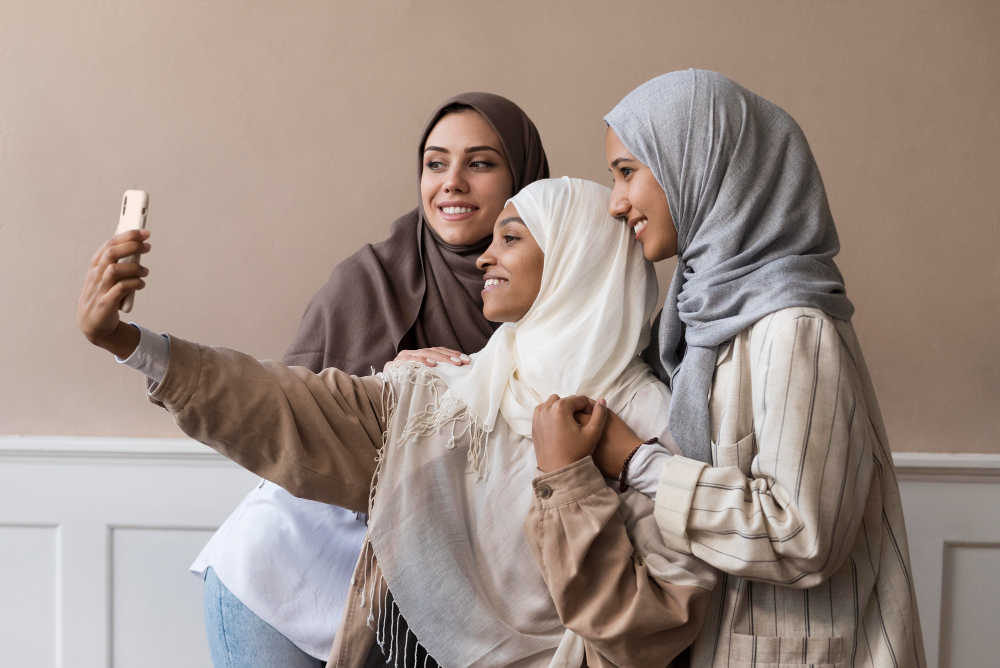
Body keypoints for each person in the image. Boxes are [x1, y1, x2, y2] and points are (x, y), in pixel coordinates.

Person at [77, 176, 716, 668]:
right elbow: (291, 405)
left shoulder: (644, 427)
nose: (483, 257)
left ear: (579, 261)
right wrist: (132, 344)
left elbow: (653, 626)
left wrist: (570, 478)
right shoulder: (452, 388)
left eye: (512, 238)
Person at [540, 69, 925, 668]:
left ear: (695, 163)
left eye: (627, 172)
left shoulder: (793, 327)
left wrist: (638, 462)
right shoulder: (695, 316)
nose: (616, 203)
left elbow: (801, 535)